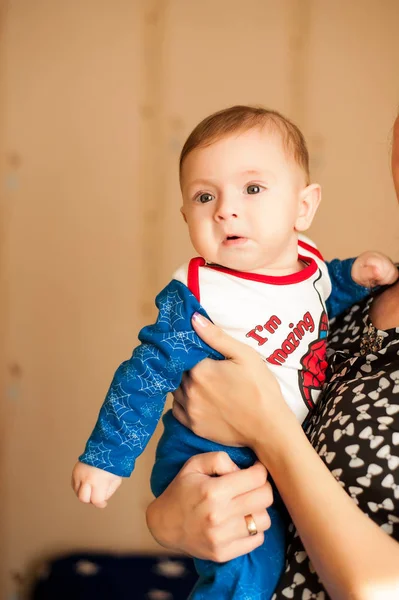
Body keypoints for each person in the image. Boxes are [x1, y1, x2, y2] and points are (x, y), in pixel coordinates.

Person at [72, 106, 397, 599]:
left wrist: (352, 275)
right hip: (214, 455)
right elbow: (145, 374)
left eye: (252, 189)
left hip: (266, 451)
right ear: (186, 217)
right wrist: (108, 457)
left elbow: (315, 302)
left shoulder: (307, 264)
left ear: (303, 207)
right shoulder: (200, 296)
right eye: (205, 196)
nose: (225, 209)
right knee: (249, 573)